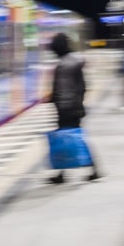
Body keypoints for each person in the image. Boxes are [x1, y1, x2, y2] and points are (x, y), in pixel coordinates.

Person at [49, 32, 101, 184]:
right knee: (69, 139)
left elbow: (65, 89)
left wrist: (60, 103)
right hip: (72, 107)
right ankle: (64, 173)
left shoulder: (65, 65)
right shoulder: (72, 62)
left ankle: (93, 169)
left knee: (69, 139)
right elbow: (81, 87)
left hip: (67, 108)